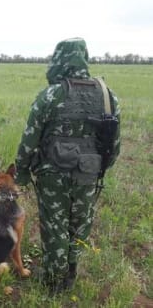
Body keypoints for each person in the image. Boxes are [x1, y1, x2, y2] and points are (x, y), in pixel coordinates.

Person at [14, 38, 120, 294]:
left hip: (53, 174)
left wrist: (22, 171)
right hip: (88, 172)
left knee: (55, 226)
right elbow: (114, 144)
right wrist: (99, 168)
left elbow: (30, 139)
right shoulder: (108, 96)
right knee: (79, 224)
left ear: (59, 60)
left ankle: (53, 280)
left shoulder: (50, 95)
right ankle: (70, 274)